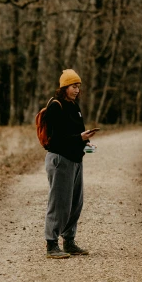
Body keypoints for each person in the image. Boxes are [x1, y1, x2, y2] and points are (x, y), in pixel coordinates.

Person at [43, 69, 97, 259]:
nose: (77, 90)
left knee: (75, 202)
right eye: (74, 86)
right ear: (64, 87)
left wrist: (85, 140)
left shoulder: (74, 106)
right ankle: (51, 244)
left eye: (79, 86)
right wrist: (78, 137)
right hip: (59, 159)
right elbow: (56, 139)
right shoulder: (55, 107)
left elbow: (76, 133)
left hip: (75, 159)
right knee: (59, 203)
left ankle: (69, 241)